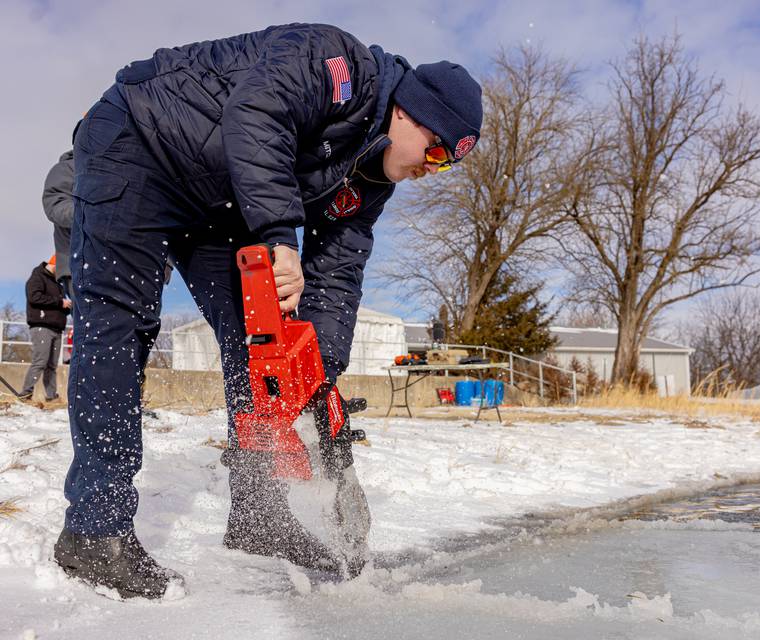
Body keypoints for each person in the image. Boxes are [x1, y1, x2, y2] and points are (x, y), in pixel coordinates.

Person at [53, 22, 482, 599]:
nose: (432, 168)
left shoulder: (370, 183)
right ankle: (94, 531)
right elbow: (256, 115)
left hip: (220, 197)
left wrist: (315, 378)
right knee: (119, 322)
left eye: (447, 164)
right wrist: (280, 234)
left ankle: (259, 516)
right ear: (407, 112)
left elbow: (337, 277)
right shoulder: (337, 64)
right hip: (141, 141)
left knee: (261, 343)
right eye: (435, 150)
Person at [20, 255, 71, 401]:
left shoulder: (58, 284)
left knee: (52, 366)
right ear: (55, 265)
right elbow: (34, 297)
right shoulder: (37, 277)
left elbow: (58, 304)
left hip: (57, 328)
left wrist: (66, 307)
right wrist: (60, 302)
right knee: (40, 362)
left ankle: (51, 396)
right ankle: (25, 393)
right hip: (42, 326)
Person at [42, 150, 76, 299]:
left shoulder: (125, 167)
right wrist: (96, 214)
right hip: (81, 266)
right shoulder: (68, 167)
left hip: (134, 265)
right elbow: (55, 206)